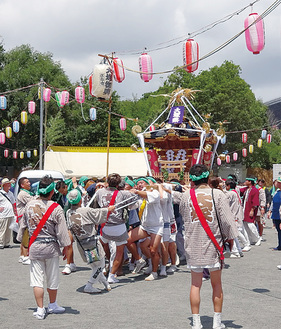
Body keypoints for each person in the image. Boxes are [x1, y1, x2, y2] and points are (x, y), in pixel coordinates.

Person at [173, 164, 237, 329]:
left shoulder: (187, 195)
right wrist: (231, 239)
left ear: (192, 179)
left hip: (193, 243)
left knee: (195, 284)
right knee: (217, 284)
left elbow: (184, 215)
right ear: (208, 177)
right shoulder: (218, 194)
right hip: (213, 243)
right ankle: (217, 322)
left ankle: (196, 322)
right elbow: (227, 221)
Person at [17, 175, 71, 320]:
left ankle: (40, 308)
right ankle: (53, 304)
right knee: (52, 278)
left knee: (36, 279)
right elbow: (62, 231)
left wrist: (22, 241)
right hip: (51, 246)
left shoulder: (29, 205)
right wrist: (66, 246)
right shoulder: (56, 207)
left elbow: (23, 226)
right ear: (52, 192)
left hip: (35, 246)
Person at [93, 173, 143, 284]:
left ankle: (103, 268)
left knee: (104, 246)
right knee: (119, 252)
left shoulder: (100, 192)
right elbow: (134, 202)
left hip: (105, 225)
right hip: (118, 226)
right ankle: (112, 275)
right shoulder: (123, 193)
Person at [66, 189, 114, 293]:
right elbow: (98, 215)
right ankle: (89, 285)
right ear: (79, 200)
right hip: (91, 243)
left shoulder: (68, 212)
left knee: (95, 266)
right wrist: (109, 209)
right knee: (100, 266)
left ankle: (106, 284)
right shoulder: (85, 211)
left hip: (81, 244)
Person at [127, 177, 164, 281]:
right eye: (137, 183)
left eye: (141, 183)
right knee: (127, 239)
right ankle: (141, 260)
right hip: (144, 226)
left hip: (156, 226)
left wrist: (137, 191)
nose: (139, 185)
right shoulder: (141, 197)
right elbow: (132, 206)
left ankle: (154, 272)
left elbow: (148, 195)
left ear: (148, 184)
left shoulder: (155, 193)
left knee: (153, 250)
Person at [52, 180, 77, 275]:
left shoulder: (73, 194)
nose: (60, 192)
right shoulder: (59, 196)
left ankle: (68, 265)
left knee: (68, 242)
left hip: (73, 220)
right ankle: (72, 263)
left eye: (61, 190)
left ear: (66, 187)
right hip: (63, 222)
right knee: (68, 243)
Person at [16, 176, 35, 265]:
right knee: (26, 236)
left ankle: (22, 255)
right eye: (27, 182)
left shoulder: (25, 192)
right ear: (22, 185)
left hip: (23, 217)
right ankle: (25, 256)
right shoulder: (23, 194)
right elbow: (32, 201)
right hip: (23, 218)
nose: (29, 183)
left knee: (24, 235)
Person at [240, 176, 261, 246]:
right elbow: (239, 190)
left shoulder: (255, 190)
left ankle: (258, 238)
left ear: (250, 182)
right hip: (245, 209)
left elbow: (255, 202)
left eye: (246, 181)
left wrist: (252, 210)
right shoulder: (246, 189)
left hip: (250, 209)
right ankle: (251, 239)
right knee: (245, 225)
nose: (245, 182)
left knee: (251, 225)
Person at [0, 178, 15, 248]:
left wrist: (15, 211)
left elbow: (13, 203)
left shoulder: (10, 193)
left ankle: (6, 242)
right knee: (3, 229)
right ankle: (1, 242)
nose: (9, 185)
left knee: (9, 229)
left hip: (10, 213)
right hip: (3, 214)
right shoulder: (0, 193)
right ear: (4, 185)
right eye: (8, 184)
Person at [268, 177, 281, 252]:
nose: (276, 183)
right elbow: (273, 202)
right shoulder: (277, 191)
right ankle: (280, 245)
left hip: (280, 215)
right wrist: (270, 211)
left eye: (278, 182)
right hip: (276, 214)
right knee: (279, 230)